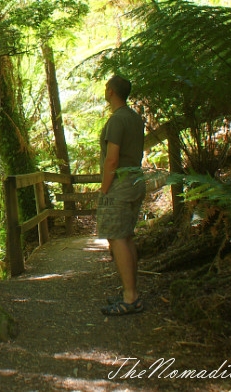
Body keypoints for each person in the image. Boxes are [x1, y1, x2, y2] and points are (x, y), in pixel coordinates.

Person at [97, 75, 146, 316]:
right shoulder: (135, 118)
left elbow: (112, 158)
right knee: (126, 237)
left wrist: (105, 188)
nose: (105, 91)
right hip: (136, 180)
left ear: (112, 92)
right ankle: (131, 291)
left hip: (120, 184)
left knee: (117, 238)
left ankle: (130, 297)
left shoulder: (117, 120)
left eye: (107, 87)